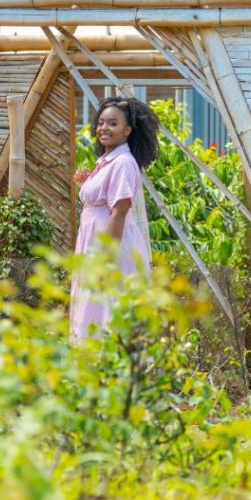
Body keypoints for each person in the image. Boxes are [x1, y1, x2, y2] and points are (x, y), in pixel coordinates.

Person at [69, 95, 160, 343]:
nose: (103, 128)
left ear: (127, 131)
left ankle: (106, 371)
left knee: (107, 307)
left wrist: (105, 259)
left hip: (110, 248)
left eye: (112, 124)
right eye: (100, 123)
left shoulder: (123, 163)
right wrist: (85, 184)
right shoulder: (107, 162)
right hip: (96, 246)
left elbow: (119, 212)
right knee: (97, 307)